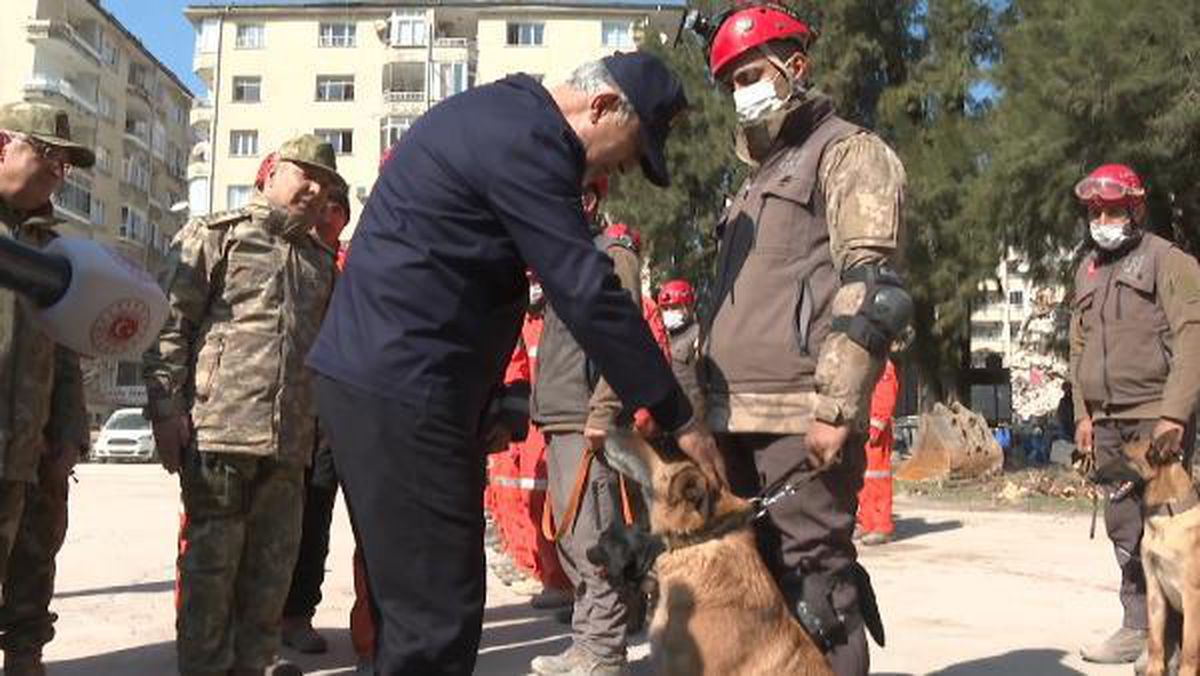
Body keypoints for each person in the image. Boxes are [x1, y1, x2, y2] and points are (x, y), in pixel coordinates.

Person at [307, 52, 718, 676]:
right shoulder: (528, 140)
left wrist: (494, 399)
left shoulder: (504, 118)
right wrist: (677, 415)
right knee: (435, 617)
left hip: (398, 385)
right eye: (630, 152)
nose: (619, 170)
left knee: (419, 605)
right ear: (603, 106)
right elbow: (586, 290)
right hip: (402, 388)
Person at [697, 6, 909, 675]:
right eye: (730, 83)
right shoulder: (757, 179)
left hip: (799, 414)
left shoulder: (847, 152)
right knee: (753, 595)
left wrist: (836, 406)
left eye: (750, 75)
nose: (740, 93)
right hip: (735, 416)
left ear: (796, 66)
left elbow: (873, 288)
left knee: (815, 588)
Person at [143, 134, 345, 676]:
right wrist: (165, 410)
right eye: (305, 175)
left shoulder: (321, 262)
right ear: (273, 171)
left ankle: (253, 667)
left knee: (270, 578)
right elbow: (169, 324)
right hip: (220, 432)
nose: (315, 190)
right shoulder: (217, 236)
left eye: (325, 185)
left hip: (289, 446)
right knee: (211, 576)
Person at [1069, 163, 1200, 666]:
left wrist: (1175, 414)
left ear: (1137, 209)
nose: (1102, 221)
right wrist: (1083, 414)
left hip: (1155, 417)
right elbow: (1078, 346)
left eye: (1112, 211)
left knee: (1172, 528)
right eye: (1094, 212)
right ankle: (1138, 626)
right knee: (1123, 526)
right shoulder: (1087, 269)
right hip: (1106, 420)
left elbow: (1192, 336)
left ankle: (1176, 641)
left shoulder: (1169, 261)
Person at [529, 180, 641, 676]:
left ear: (588, 200)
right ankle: (588, 642)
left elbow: (624, 338)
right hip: (560, 419)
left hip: (585, 420)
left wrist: (604, 411)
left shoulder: (611, 254)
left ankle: (605, 652)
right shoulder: (566, 256)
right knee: (574, 544)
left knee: (596, 542)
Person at [0, 101, 93, 676]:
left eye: (65, 165)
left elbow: (64, 347)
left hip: (33, 445)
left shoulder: (55, 250)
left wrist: (69, 433)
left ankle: (24, 656)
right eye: (47, 155)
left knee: (35, 560)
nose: (58, 173)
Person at [281, 189, 352, 654]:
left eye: (335, 208)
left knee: (315, 517)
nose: (326, 215)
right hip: (283, 408)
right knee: (273, 517)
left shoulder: (351, 266)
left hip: (328, 416)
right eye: (320, 206)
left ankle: (298, 614)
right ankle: (258, 616)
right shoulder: (286, 256)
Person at [856, 360, 898, 546]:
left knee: (877, 478)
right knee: (864, 479)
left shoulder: (883, 366)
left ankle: (882, 526)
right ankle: (867, 522)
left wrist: (875, 426)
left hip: (875, 432)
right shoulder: (868, 363)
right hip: (863, 427)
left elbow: (884, 397)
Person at [658, 279, 704, 418]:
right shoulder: (662, 338)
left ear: (689, 306)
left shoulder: (700, 335)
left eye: (674, 307)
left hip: (695, 415)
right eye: (665, 308)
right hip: (669, 415)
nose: (669, 313)